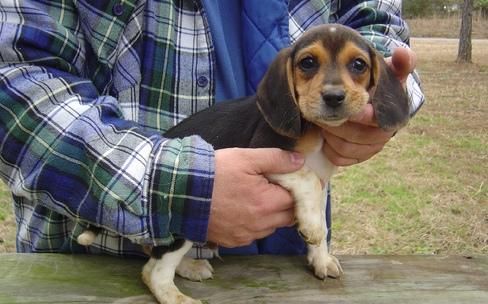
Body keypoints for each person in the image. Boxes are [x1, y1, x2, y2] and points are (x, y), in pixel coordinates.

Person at [0, 0, 423, 257]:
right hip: (103, 258)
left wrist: (384, 87)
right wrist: (170, 185)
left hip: (281, 257)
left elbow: (377, 23)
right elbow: (15, 79)